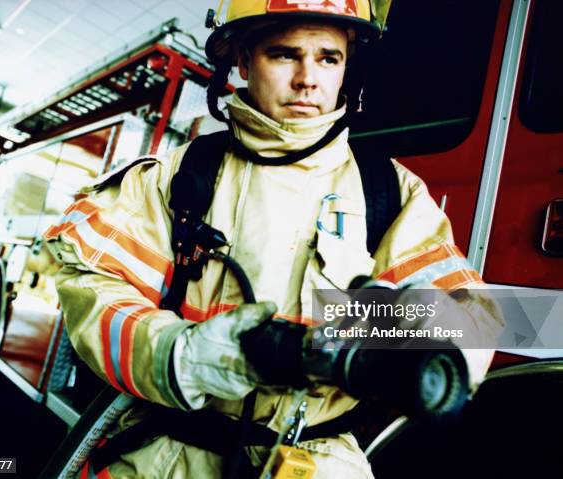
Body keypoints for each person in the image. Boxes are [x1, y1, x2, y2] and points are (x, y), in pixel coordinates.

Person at [44, 1, 504, 477]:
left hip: (315, 459)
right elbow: (93, 291)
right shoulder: (176, 176)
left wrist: (397, 332)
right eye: (284, 54)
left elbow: (473, 323)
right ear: (243, 62)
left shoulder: (390, 192)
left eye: (329, 58)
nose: (309, 79)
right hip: (167, 454)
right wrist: (179, 353)